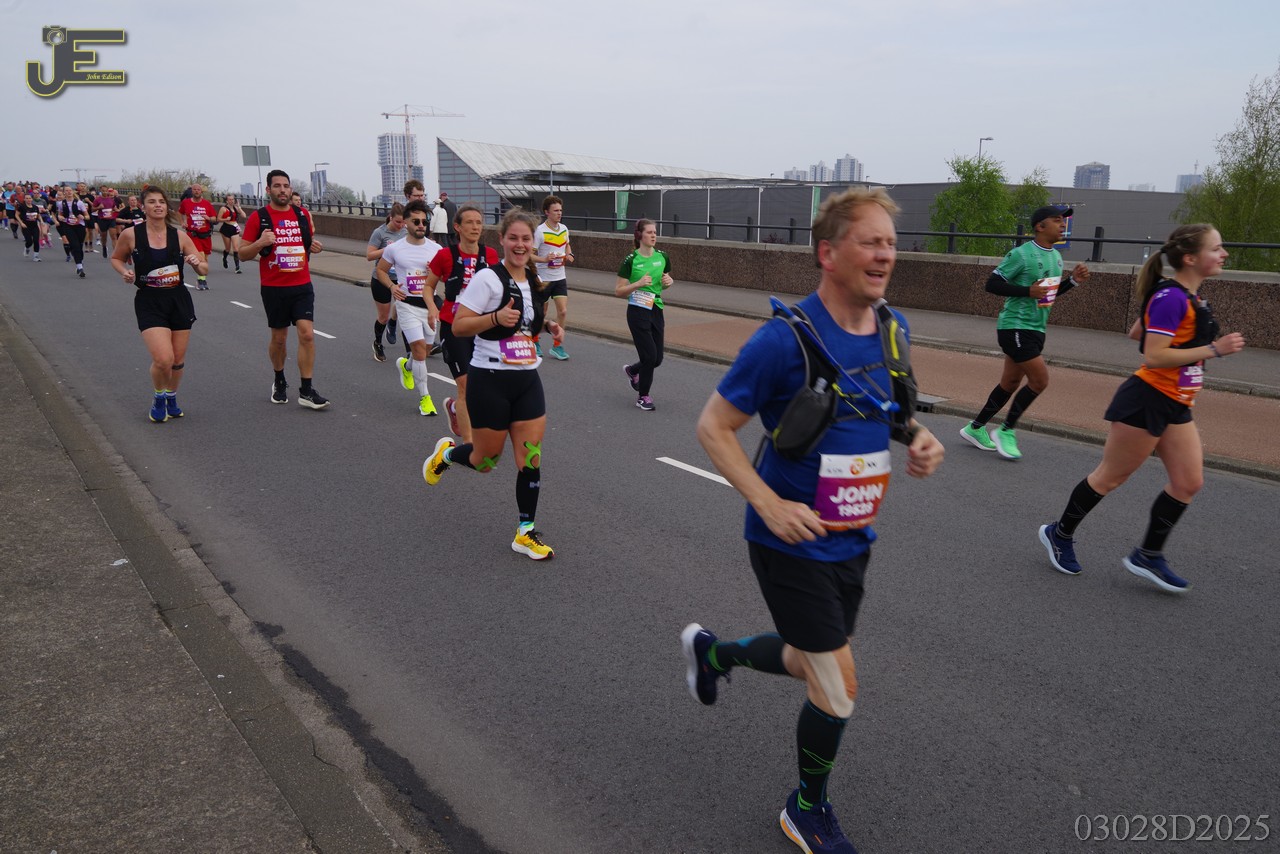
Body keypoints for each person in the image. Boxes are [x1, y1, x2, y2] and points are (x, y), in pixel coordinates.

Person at [683, 187, 943, 854]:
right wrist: (768, 504)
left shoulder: (892, 329)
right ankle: (806, 808)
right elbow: (713, 427)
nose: (885, 254)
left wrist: (917, 436)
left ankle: (714, 653)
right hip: (789, 541)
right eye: (870, 241)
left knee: (805, 660)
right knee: (838, 685)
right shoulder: (783, 340)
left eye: (891, 242)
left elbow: (888, 410)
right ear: (828, 253)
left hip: (852, 539)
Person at [1037, 224, 1246, 594]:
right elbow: (1154, 354)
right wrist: (1215, 349)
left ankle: (1148, 555)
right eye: (1216, 248)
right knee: (1109, 478)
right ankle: (1059, 533)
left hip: (1177, 402)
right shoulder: (1171, 297)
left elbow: (1137, 331)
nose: (1224, 254)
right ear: (1190, 258)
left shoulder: (1188, 296)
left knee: (1189, 482)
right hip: (1147, 399)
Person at [421, 208, 565, 561]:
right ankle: (447, 455)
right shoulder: (487, 279)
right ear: (502, 240)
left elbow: (527, 325)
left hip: (527, 378)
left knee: (531, 458)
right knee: (485, 461)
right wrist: (495, 317)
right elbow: (459, 326)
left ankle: (525, 532)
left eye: (526, 239)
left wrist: (548, 327)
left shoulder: (534, 280)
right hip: (490, 380)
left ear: (533, 243)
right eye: (513, 238)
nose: (520, 245)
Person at [957, 205, 1091, 460]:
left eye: (1063, 221)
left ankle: (975, 427)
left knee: (1010, 383)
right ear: (1040, 226)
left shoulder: (1056, 257)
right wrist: (1027, 291)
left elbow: (1047, 296)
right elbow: (992, 284)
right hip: (1015, 327)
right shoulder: (1021, 254)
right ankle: (1006, 430)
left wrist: (1072, 281)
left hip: (1036, 328)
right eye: (1057, 220)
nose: (1063, 224)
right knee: (1040, 381)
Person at [109, 186, 206, 423]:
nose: (157, 206)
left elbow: (204, 268)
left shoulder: (180, 236)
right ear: (143, 207)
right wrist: (125, 272)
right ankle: (159, 396)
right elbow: (116, 258)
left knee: (177, 361)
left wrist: (195, 263)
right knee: (164, 359)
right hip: (149, 300)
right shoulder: (131, 235)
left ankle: (171, 396)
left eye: (161, 201)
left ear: (167, 206)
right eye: (152, 202)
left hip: (178, 299)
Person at [238, 169, 329, 410]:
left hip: (302, 285)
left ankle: (306, 390)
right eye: (277, 186)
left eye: (286, 186)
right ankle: (279, 379)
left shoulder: (302, 215)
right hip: (274, 287)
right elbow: (242, 253)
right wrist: (260, 243)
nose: (282, 190)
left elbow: (305, 244)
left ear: (291, 189)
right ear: (269, 190)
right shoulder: (259, 218)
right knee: (279, 339)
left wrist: (314, 247)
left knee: (307, 334)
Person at [426, 202, 500, 442]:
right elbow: (428, 286)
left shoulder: (490, 255)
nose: (475, 227)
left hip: (483, 328)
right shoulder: (445, 255)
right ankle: (469, 445)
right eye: (469, 222)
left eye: (479, 222)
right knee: (466, 386)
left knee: (484, 387)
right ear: (457, 227)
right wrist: (432, 308)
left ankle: (455, 408)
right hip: (454, 327)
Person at [376, 200, 443, 415]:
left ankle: (406, 366)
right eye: (416, 221)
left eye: (424, 221)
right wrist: (392, 286)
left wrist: (436, 273)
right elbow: (381, 270)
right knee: (419, 351)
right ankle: (425, 398)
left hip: (429, 305)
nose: (421, 225)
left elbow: (446, 277)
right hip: (406, 304)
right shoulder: (394, 249)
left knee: (425, 350)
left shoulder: (436, 249)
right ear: (405, 222)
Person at [616, 219, 673, 411]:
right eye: (649, 232)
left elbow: (664, 281)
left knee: (657, 359)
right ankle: (643, 397)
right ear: (640, 235)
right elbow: (618, 291)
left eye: (655, 232)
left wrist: (669, 282)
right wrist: (637, 284)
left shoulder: (663, 256)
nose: (653, 235)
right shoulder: (631, 260)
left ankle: (633, 370)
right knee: (649, 356)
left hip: (656, 308)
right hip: (637, 310)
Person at [532, 195, 573, 359]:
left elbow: (567, 245)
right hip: (543, 278)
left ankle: (557, 345)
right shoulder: (540, 231)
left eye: (560, 210)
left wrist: (569, 254)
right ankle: (535, 341)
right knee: (541, 312)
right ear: (547, 212)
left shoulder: (564, 229)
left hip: (560, 277)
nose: (559, 213)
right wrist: (544, 259)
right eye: (555, 211)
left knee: (562, 311)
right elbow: (529, 255)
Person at [365, 203, 407, 362]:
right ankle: (378, 342)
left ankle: (412, 349)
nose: (401, 225)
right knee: (383, 317)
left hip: (401, 279)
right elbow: (369, 255)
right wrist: (389, 249)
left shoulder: (406, 231)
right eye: (398, 222)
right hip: (381, 279)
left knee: (407, 313)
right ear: (390, 217)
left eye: (403, 222)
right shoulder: (380, 232)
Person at [178, 183, 217, 290]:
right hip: (193, 235)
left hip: (205, 235)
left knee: (205, 258)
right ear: (192, 191)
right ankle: (201, 280)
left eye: (198, 189)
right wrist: (182, 222)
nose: (196, 191)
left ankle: (202, 277)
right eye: (194, 189)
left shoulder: (207, 204)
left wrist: (208, 218)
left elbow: (214, 218)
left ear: (201, 191)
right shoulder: (186, 202)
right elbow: (179, 212)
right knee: (200, 256)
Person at [54, 186, 91, 277]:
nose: (69, 192)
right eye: (67, 191)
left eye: (70, 190)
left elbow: (87, 216)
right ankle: (80, 268)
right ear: (64, 193)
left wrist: (83, 217)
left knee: (79, 246)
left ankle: (80, 262)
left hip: (79, 226)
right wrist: (60, 217)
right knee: (75, 246)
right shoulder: (61, 203)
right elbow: (59, 215)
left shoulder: (79, 203)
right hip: (68, 226)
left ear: (73, 192)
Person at [216, 193, 246, 273]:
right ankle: (224, 258)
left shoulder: (236, 208)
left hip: (234, 228)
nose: (231, 201)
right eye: (229, 199)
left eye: (232, 199)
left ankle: (237, 267)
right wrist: (225, 219)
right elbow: (218, 219)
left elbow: (244, 216)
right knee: (228, 249)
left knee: (236, 248)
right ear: (226, 201)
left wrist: (239, 207)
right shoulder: (223, 209)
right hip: (226, 228)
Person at [13, 190, 43, 260]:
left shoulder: (35, 207)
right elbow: (16, 215)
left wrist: (41, 221)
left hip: (35, 226)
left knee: (36, 241)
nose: (28, 199)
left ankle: (36, 256)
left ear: (32, 199)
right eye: (27, 198)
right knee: (29, 241)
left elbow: (38, 215)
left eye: (29, 198)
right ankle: (27, 248)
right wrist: (21, 223)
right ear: (24, 199)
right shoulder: (22, 207)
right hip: (26, 226)